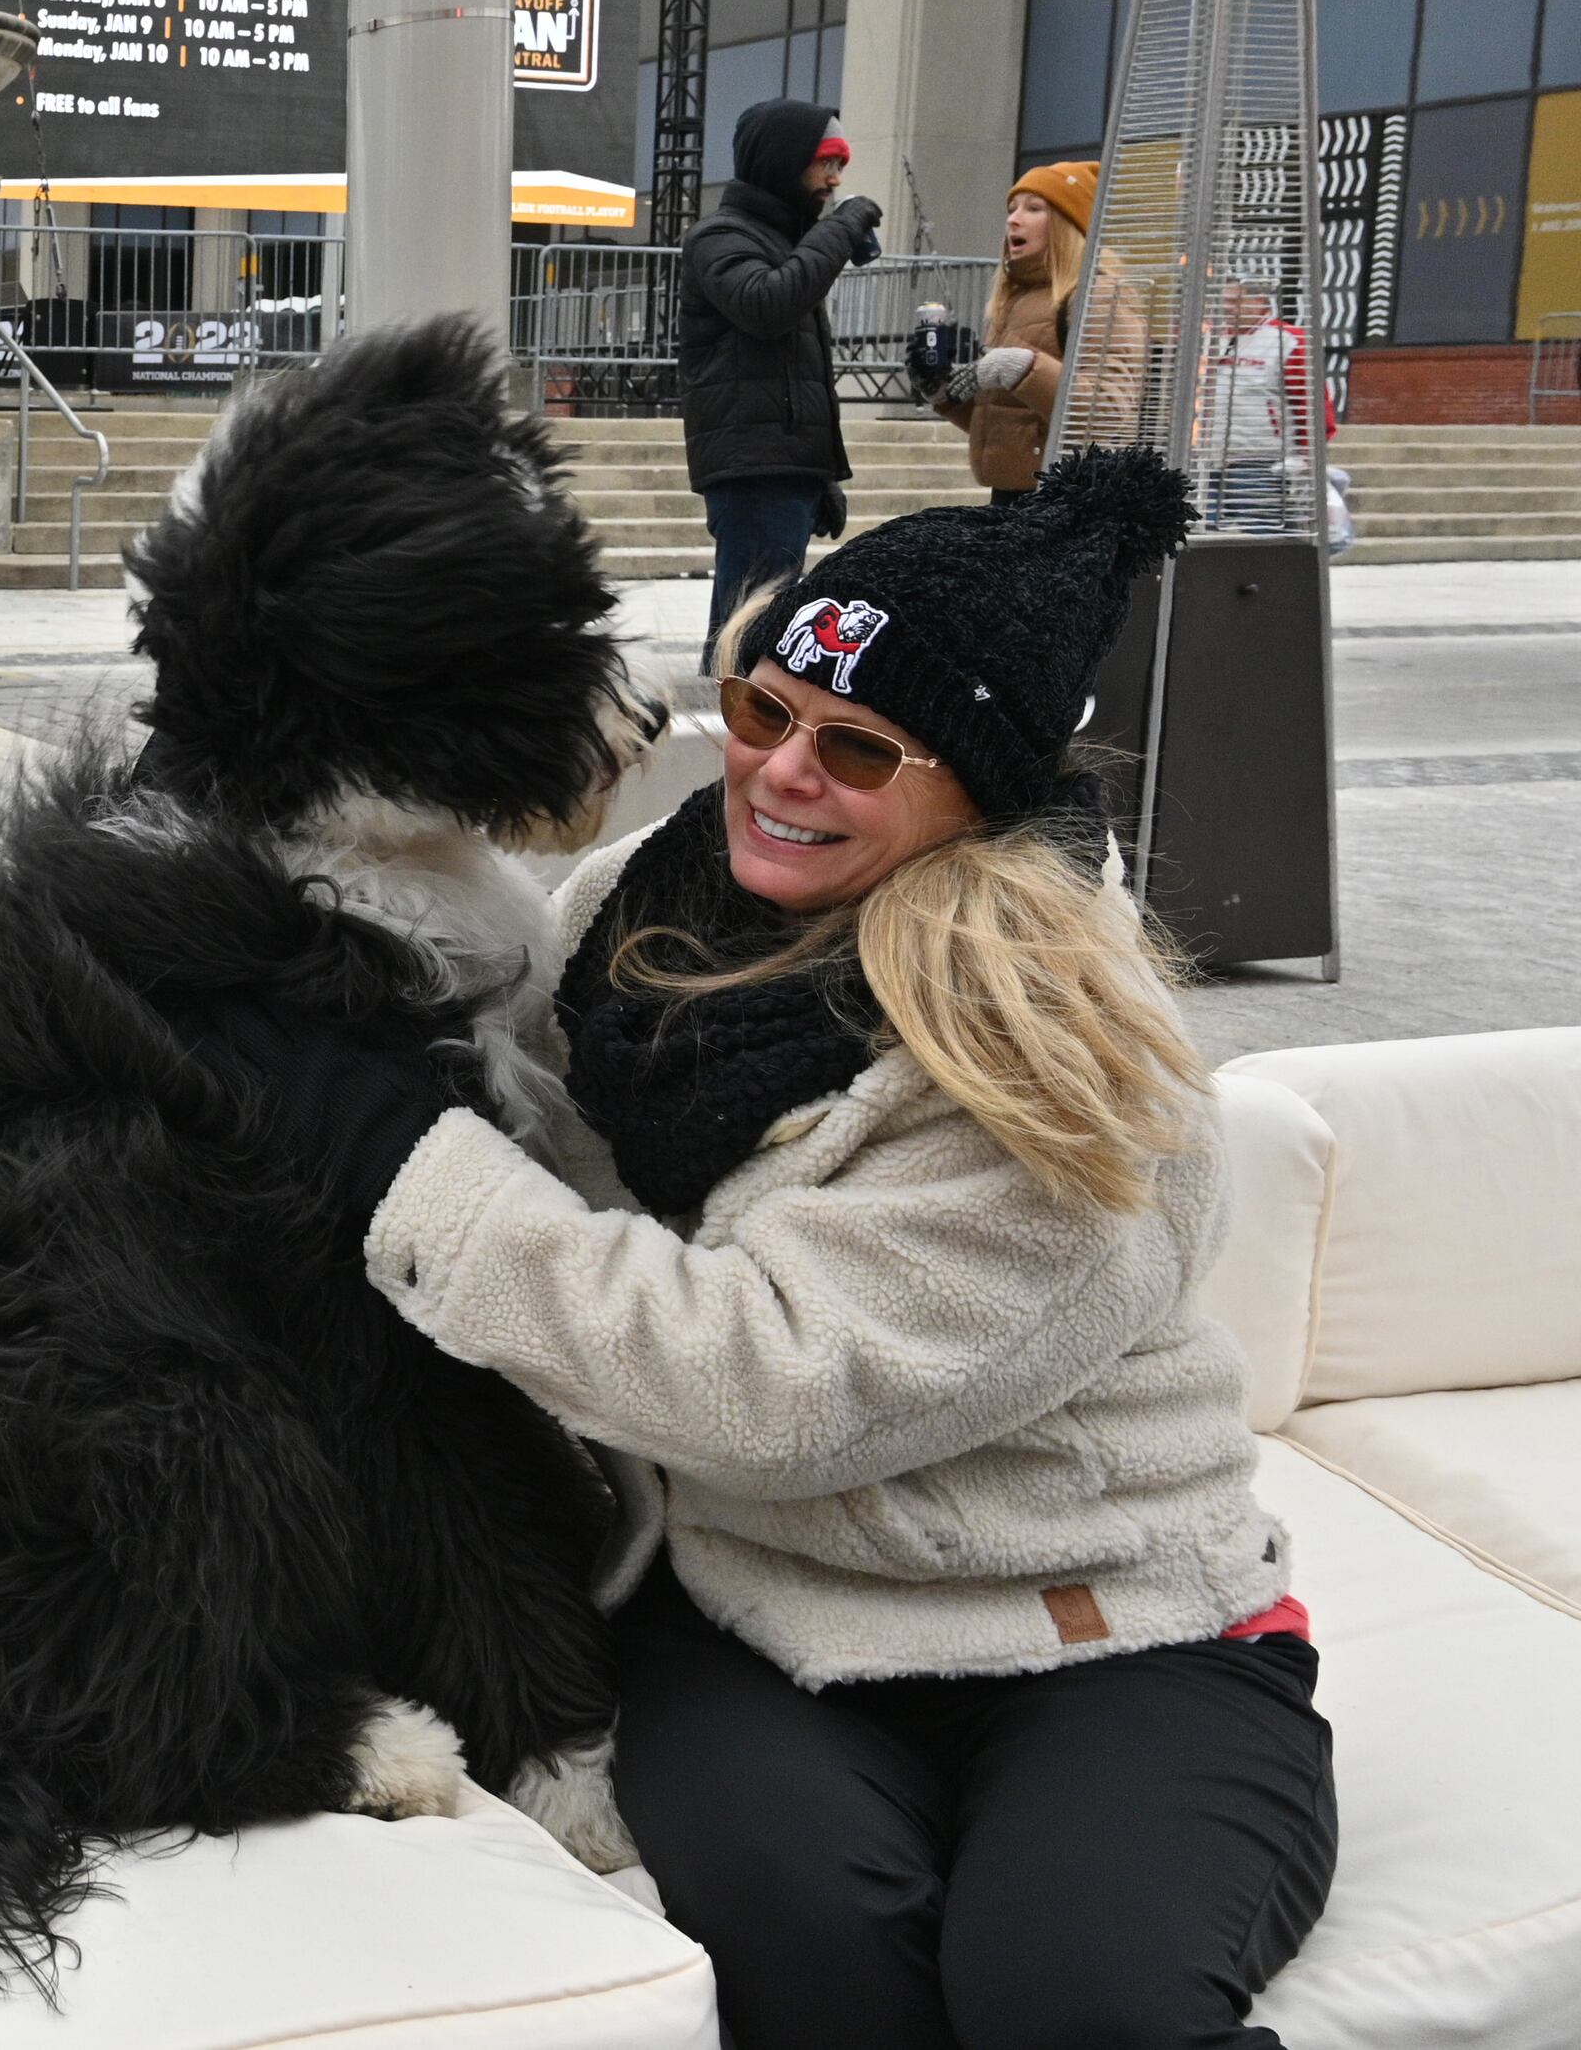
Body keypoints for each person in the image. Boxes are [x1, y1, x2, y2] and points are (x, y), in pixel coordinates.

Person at [354, 450, 1336, 2049]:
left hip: (1105, 1635)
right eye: (763, 710)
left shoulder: (1063, 1058)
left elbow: (770, 1386)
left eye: (860, 747)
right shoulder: (633, 910)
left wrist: (401, 1173)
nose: (782, 772)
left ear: (978, 789)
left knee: (1076, 1999)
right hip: (754, 1613)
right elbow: (477, 1082)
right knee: (810, 1943)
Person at [678, 98, 880, 651]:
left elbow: (797, 373)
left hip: (782, 466)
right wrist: (842, 227)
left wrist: (820, 473)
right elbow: (767, 305)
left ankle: (743, 705)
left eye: (841, 164)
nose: (836, 178)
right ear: (783, 159)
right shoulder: (720, 237)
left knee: (763, 628)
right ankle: (732, 707)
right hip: (753, 469)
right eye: (826, 161)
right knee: (747, 632)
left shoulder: (786, 244)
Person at [936, 159, 1091, 502]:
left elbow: (1109, 415)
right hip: (1010, 497)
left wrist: (1020, 367)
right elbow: (1011, 421)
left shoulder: (1098, 294)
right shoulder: (1013, 300)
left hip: (1067, 499)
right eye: (1012, 209)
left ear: (1069, 224)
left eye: (1033, 208)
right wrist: (941, 391)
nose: (1013, 219)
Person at [1195, 277, 1318, 535]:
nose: (1227, 308)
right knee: (1201, 534)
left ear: (1259, 301)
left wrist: (1305, 455)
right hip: (1210, 459)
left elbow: (1310, 404)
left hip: (1261, 460)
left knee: (1261, 532)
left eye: (1235, 301)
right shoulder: (1212, 339)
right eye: (1225, 301)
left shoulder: (1288, 340)